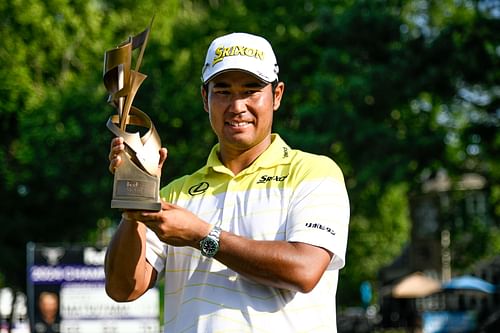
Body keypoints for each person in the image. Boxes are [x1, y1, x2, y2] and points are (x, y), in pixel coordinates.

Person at [105, 32, 350, 332]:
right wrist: (135, 203)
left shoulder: (314, 173)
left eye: (250, 91)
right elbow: (122, 288)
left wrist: (202, 236)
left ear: (277, 95)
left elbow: (304, 270)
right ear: (204, 99)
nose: (237, 106)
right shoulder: (176, 194)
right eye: (223, 91)